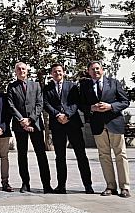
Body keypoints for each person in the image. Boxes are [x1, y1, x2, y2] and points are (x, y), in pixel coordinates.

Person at [79, 61, 130, 198]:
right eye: (92, 69)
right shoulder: (85, 86)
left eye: (97, 68)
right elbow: (81, 105)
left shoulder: (114, 83)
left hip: (114, 123)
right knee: (104, 156)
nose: (95, 71)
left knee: (120, 155)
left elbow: (125, 101)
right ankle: (110, 186)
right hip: (98, 125)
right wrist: (91, 108)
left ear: (102, 70)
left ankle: (124, 187)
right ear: (88, 72)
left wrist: (111, 106)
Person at [43, 64, 94, 194]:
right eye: (54, 71)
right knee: (60, 156)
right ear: (51, 73)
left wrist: (67, 115)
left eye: (59, 71)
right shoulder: (47, 88)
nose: (57, 73)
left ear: (63, 72)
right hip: (57, 125)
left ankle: (88, 185)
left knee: (81, 155)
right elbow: (46, 103)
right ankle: (61, 186)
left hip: (73, 124)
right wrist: (57, 114)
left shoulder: (72, 86)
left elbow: (76, 102)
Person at [7, 62, 53, 194]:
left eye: (23, 69)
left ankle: (46, 184)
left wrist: (31, 119)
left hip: (36, 125)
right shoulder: (11, 87)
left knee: (41, 155)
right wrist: (22, 120)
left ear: (27, 71)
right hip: (20, 126)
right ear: (15, 72)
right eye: (19, 69)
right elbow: (11, 105)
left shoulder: (36, 85)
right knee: (22, 155)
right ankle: (25, 183)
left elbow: (40, 103)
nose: (21, 71)